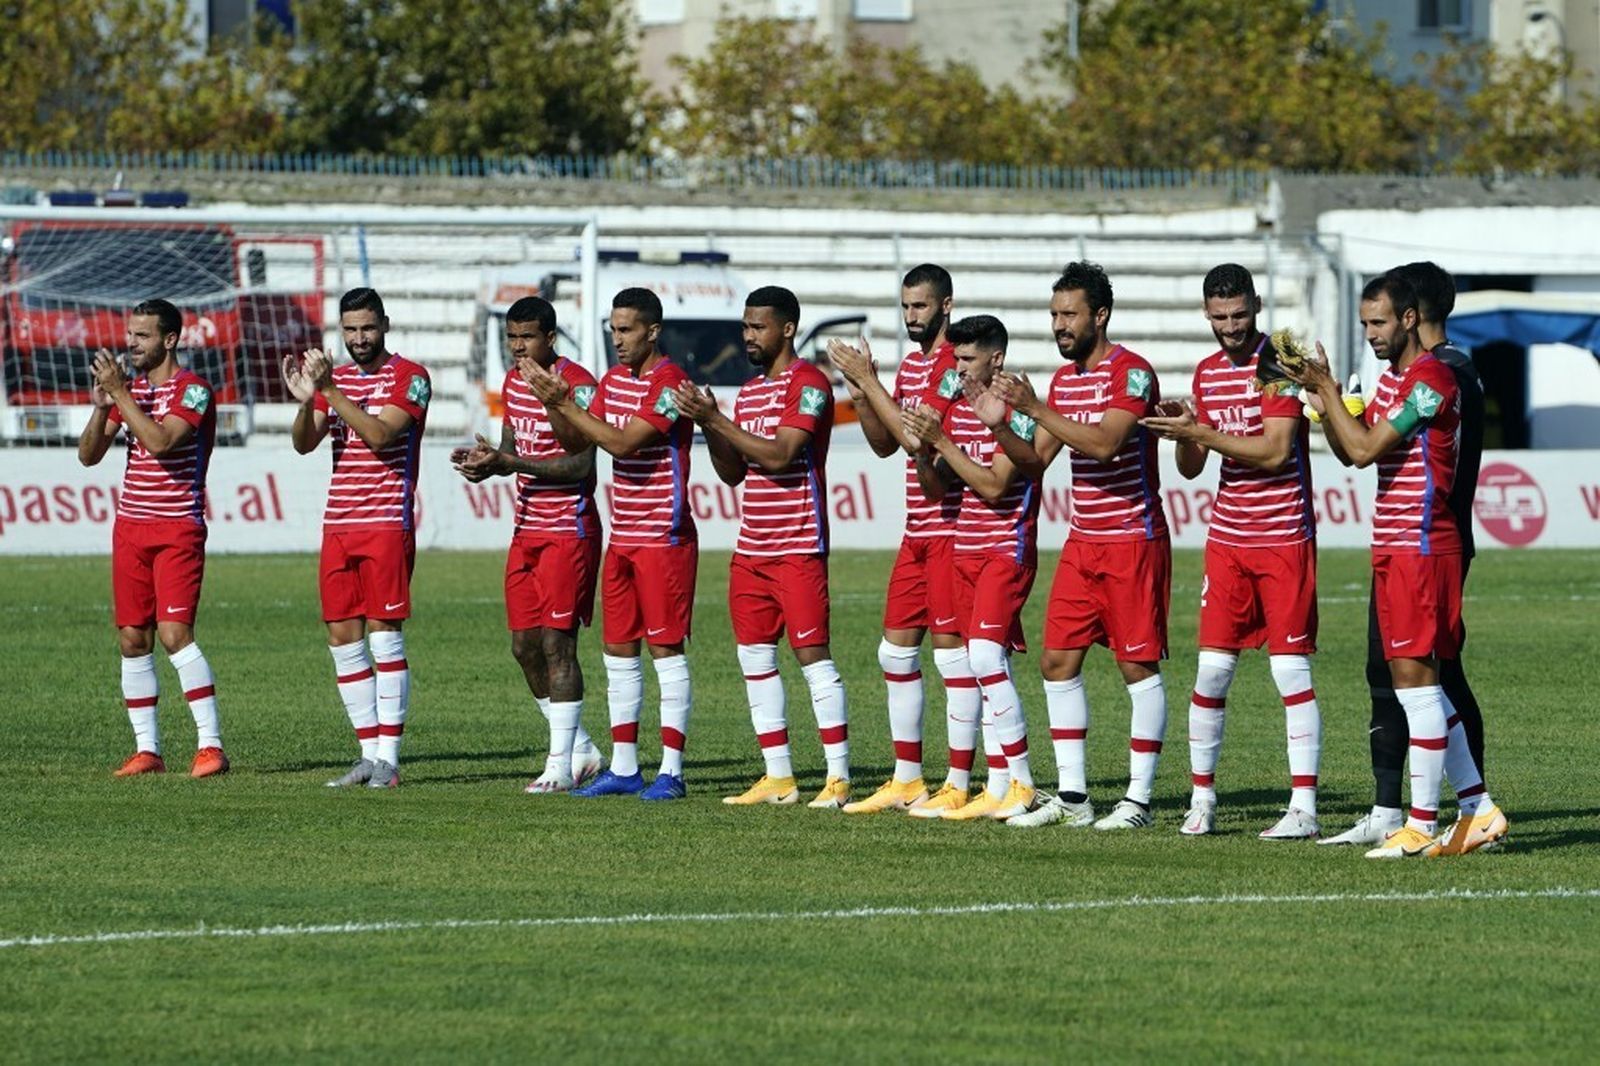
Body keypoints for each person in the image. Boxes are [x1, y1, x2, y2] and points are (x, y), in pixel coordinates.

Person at [1288, 272, 1501, 858]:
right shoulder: (1394, 382)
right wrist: (1324, 403)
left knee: (1417, 685)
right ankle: (1478, 808)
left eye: (1379, 322)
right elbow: (1350, 450)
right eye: (1364, 324)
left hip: (1423, 546)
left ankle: (1421, 824)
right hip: (1394, 546)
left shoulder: (1434, 380)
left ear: (1409, 318)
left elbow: (1362, 449)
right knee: (1418, 685)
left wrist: (1328, 391)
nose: (1371, 333)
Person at [1141, 264, 1323, 839]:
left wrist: (1201, 434)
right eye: (1219, 317)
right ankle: (1202, 799)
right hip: (1228, 541)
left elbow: (1274, 452)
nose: (1230, 326)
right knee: (1212, 672)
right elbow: (1193, 468)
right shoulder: (1208, 371)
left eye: (1239, 315)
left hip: (1283, 538)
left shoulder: (1280, 363)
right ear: (1206, 313)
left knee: (1289, 673)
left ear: (1257, 306)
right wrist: (1185, 430)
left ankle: (1304, 808)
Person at [993, 262, 1170, 831]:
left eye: (1069, 314)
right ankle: (1073, 798)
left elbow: (1106, 445)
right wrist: (999, 425)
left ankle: (1138, 802)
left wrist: (1036, 409)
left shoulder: (1133, 373)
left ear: (1101, 315)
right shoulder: (1064, 382)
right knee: (1056, 661)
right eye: (1054, 315)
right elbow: (1035, 462)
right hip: (1083, 542)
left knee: (1136, 666)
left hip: (1132, 540)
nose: (1059, 325)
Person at [672, 286, 850, 808]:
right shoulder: (749, 393)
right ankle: (779, 777)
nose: (748, 336)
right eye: (745, 326)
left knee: (812, 657)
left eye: (758, 327)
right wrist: (708, 423)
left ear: (787, 329)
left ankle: (838, 777)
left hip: (798, 544)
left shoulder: (810, 383)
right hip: (752, 548)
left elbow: (780, 455)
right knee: (754, 657)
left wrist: (717, 420)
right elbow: (733, 473)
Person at [524, 287, 698, 801]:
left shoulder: (670, 383)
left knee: (665, 653)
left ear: (653, 331)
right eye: (613, 330)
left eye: (626, 330)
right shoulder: (615, 381)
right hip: (623, 537)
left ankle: (672, 771)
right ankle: (624, 768)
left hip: (663, 538)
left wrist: (562, 403)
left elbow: (621, 443)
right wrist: (555, 405)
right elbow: (576, 441)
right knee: (618, 653)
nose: (617, 340)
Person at [825, 263, 977, 816]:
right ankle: (908, 778)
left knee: (952, 659)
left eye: (921, 306)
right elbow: (886, 445)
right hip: (917, 529)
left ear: (946, 305)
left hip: (953, 528)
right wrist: (862, 393)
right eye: (906, 306)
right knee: (894, 652)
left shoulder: (954, 363)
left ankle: (958, 782)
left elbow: (917, 439)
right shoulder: (913, 366)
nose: (911, 316)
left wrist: (869, 383)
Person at [450, 296, 605, 794]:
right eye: (512, 337)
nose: (518, 347)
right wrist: (488, 463)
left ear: (550, 338)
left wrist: (515, 464)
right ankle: (582, 748)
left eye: (528, 337)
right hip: (526, 531)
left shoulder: (576, 384)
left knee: (559, 646)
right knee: (523, 647)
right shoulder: (514, 381)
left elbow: (582, 464)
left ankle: (559, 767)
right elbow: (510, 450)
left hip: (569, 531)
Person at [283, 288, 429, 790]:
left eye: (367, 328)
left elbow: (382, 435)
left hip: (386, 522)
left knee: (384, 637)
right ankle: (368, 754)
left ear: (384, 324)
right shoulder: (337, 379)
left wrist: (330, 391)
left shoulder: (410, 377)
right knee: (343, 640)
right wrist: (309, 401)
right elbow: (305, 443)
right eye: (350, 329)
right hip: (339, 524)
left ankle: (389, 759)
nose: (359, 338)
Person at [901, 315, 1043, 821]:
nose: (957, 369)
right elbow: (937, 489)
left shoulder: (1018, 408)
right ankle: (996, 786)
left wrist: (940, 442)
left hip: (1005, 550)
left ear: (996, 358)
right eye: (955, 358)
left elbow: (995, 486)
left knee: (983, 659)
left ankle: (1024, 783)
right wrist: (923, 452)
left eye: (967, 359)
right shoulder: (958, 410)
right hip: (965, 550)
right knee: (984, 666)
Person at [78, 298, 227, 779]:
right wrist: (102, 407)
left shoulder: (194, 390)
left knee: (174, 634)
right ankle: (148, 751)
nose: (132, 343)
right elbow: (88, 456)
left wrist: (121, 395)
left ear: (170, 339)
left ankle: (211, 746)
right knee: (132, 638)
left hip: (177, 528)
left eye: (142, 336)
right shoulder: (132, 391)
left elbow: (162, 442)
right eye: (130, 335)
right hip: (131, 528)